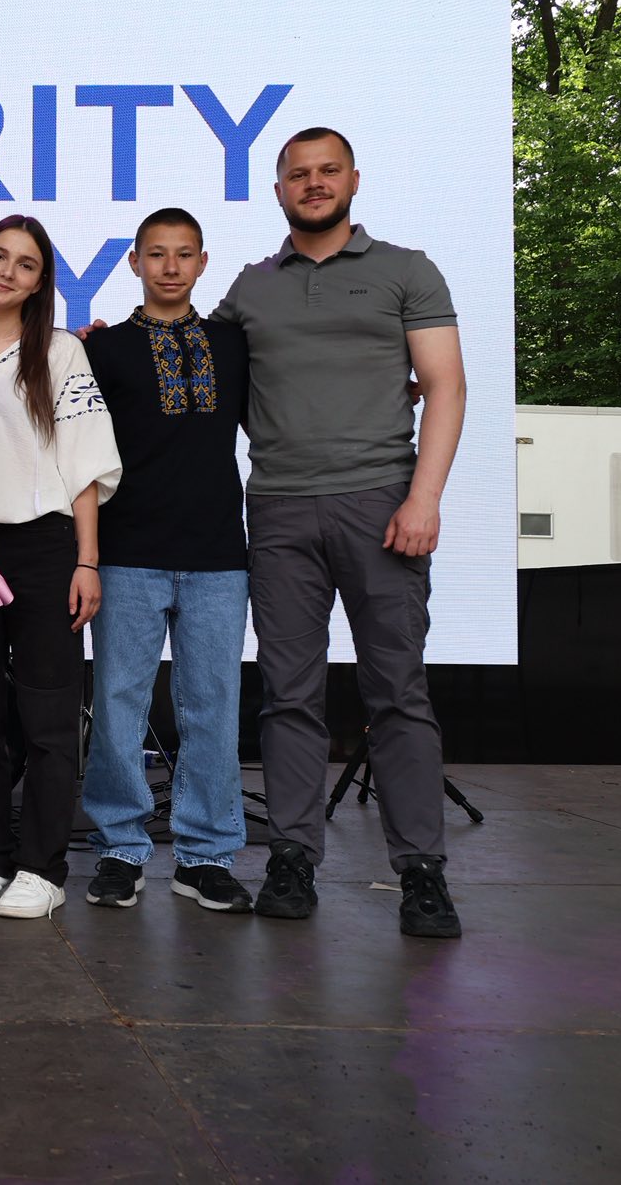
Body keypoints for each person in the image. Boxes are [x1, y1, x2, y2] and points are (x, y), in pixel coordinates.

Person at [212, 127, 468, 939]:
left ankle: (421, 871)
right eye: (299, 174)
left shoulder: (407, 270)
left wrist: (424, 499)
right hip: (279, 510)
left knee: (398, 693)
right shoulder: (251, 288)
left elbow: (446, 386)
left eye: (328, 171)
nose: (314, 183)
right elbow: (191, 363)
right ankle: (292, 857)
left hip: (383, 505)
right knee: (289, 696)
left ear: (353, 179)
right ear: (278, 189)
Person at [0, 215, 121, 920]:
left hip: (45, 548)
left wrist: (87, 560)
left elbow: (85, 463)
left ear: (42, 281)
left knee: (48, 717)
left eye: (26, 264)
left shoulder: (60, 350)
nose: (8, 272)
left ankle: (42, 868)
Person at [79, 207, 255, 915]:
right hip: (126, 551)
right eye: (157, 253)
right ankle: (120, 849)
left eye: (184, 254)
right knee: (118, 704)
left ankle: (205, 855)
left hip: (218, 553)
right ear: (134, 262)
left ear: (203, 262)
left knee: (213, 706)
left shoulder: (234, 344)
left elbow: (295, 403)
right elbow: (77, 447)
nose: (171, 266)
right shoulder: (103, 348)